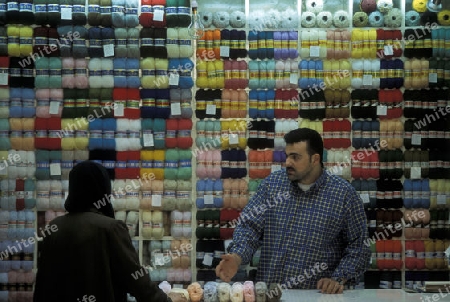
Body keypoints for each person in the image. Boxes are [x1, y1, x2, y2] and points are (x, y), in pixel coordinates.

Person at [216, 128, 371, 294]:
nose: (288, 162)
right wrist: (237, 257)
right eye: (287, 155)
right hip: (269, 294)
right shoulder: (272, 186)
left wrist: (339, 278)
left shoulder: (344, 195)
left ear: (315, 159)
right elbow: (249, 227)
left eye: (295, 157)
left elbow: (359, 247)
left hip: (315, 296)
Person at [33, 160, 176, 302]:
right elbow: (137, 280)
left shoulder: (54, 227)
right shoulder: (110, 228)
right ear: (103, 189)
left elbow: (42, 284)